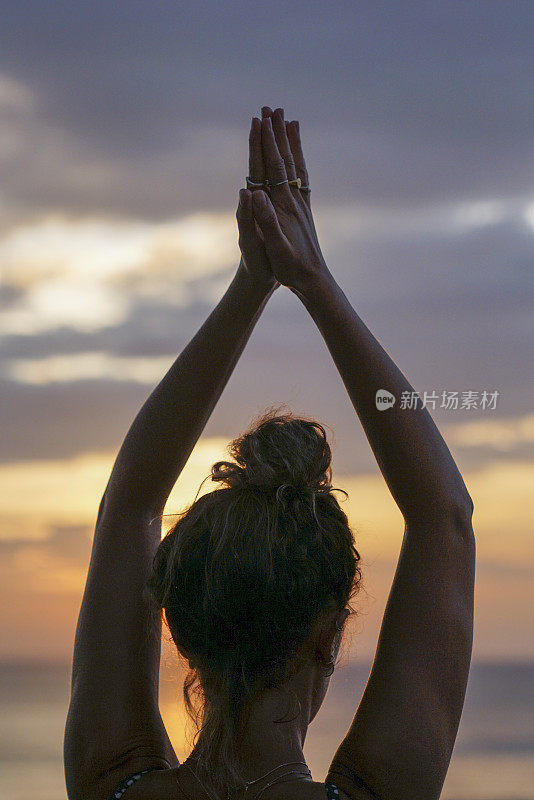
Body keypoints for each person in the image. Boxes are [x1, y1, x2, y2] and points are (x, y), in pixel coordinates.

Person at [64, 107, 475, 800]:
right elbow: (444, 515)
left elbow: (129, 505)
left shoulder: (114, 788)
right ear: (327, 636)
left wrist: (250, 285)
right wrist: (314, 282)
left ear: (180, 630)